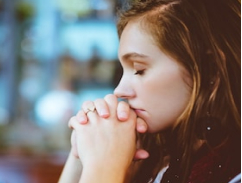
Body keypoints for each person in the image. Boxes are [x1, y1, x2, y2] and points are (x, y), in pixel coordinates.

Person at [58, 0, 241, 182]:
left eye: (139, 69)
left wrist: (105, 166)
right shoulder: (158, 163)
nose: (119, 91)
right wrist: (81, 158)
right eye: (123, 70)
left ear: (209, 69)